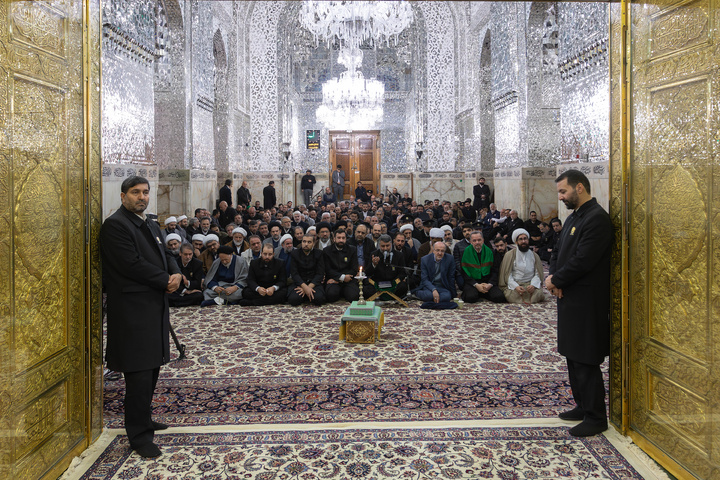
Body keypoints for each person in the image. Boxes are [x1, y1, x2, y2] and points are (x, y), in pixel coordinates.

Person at [100, 176, 182, 458]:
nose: (142, 197)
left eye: (145, 192)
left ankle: (145, 420)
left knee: (152, 366)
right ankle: (138, 435)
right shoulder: (115, 226)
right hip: (132, 310)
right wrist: (165, 280)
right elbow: (131, 264)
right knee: (138, 373)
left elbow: (166, 253)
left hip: (153, 306)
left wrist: (176, 273)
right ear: (123, 196)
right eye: (135, 192)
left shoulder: (148, 222)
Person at [546, 169, 613, 437]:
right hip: (569, 297)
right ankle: (582, 406)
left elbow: (583, 260)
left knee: (585, 357)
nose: (561, 197)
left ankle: (596, 417)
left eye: (563, 191)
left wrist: (557, 281)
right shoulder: (575, 217)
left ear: (580, 188)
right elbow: (557, 252)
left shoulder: (597, 219)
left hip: (587, 301)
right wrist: (553, 278)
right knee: (572, 354)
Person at [498, 229, 545, 304]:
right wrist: (516, 286)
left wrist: (533, 285)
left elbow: (537, 273)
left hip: (530, 283)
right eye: (520, 239)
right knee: (511, 295)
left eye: (525, 239)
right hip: (516, 283)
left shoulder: (534, 255)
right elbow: (507, 275)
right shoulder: (509, 255)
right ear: (516, 242)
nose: (523, 241)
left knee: (538, 294)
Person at [460, 231, 506, 304]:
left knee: (499, 297)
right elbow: (464, 271)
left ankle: (483, 292)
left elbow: (495, 270)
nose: (477, 242)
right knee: (470, 297)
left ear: (483, 240)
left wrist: (489, 284)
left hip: (487, 281)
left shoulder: (491, 252)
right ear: (471, 241)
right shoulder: (465, 252)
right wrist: (476, 285)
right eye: (474, 240)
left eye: (479, 240)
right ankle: (481, 293)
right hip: (473, 282)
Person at [365, 234, 408, 299]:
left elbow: (402, 273)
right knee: (366, 288)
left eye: (387, 246)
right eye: (383, 246)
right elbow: (368, 273)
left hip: (393, 283)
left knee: (403, 286)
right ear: (379, 245)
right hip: (378, 283)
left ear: (391, 244)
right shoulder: (374, 254)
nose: (385, 248)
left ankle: (388, 296)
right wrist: (373, 265)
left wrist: (394, 283)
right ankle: (381, 296)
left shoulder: (399, 255)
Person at [288, 234, 326, 306]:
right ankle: (306, 295)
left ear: (313, 243)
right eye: (304, 241)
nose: (306, 244)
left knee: (319, 299)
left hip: (314, 283)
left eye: (309, 242)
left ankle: (306, 295)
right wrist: (305, 287)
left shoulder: (319, 253)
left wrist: (309, 288)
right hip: (300, 283)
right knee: (293, 300)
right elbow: (294, 273)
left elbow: (320, 273)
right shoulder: (295, 253)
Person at [323, 229, 360, 302]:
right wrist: (341, 278)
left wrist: (345, 278)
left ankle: (344, 292)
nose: (341, 240)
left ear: (346, 239)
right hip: (334, 280)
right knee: (331, 296)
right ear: (334, 239)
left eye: (343, 238)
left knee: (354, 297)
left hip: (349, 279)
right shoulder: (327, 251)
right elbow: (328, 269)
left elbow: (354, 268)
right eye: (339, 238)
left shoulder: (352, 249)